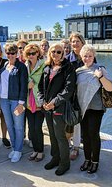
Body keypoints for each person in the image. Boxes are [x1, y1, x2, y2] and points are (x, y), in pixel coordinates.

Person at [37, 43, 76, 176]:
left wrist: (54, 102)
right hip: (47, 108)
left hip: (59, 107)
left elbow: (68, 89)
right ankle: (55, 158)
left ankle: (65, 163)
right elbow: (40, 88)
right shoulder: (47, 67)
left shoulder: (68, 68)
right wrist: (42, 102)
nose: (56, 54)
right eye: (53, 51)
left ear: (63, 53)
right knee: (52, 136)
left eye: (59, 52)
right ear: (50, 53)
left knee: (60, 136)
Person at [76, 44, 112, 174]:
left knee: (93, 134)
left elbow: (110, 88)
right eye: (85, 56)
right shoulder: (79, 71)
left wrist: (100, 77)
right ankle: (87, 159)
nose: (87, 58)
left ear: (94, 56)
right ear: (81, 57)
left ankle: (95, 161)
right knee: (85, 135)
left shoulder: (100, 69)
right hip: (83, 107)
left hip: (96, 108)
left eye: (90, 56)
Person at [0, 43, 28, 163]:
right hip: (3, 100)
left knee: (18, 126)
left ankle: (18, 150)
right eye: (8, 53)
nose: (10, 55)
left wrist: (21, 103)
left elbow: (24, 86)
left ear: (17, 54)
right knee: (9, 125)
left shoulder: (21, 67)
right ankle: (13, 147)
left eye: (13, 53)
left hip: (16, 100)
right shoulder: (5, 65)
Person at [24, 44, 45, 162]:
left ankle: (41, 151)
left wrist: (34, 85)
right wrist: (27, 85)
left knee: (38, 128)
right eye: (28, 54)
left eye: (33, 53)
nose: (31, 56)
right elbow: (22, 81)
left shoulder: (43, 65)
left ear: (38, 53)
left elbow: (45, 83)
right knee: (31, 128)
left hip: (39, 101)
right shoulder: (25, 66)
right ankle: (35, 150)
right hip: (28, 102)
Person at [66, 32, 86, 160]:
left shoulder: (88, 56)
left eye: (77, 41)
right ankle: (67, 144)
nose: (75, 44)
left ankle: (76, 147)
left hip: (83, 94)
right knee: (68, 121)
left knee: (78, 123)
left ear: (82, 42)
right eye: (73, 41)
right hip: (70, 95)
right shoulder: (67, 59)